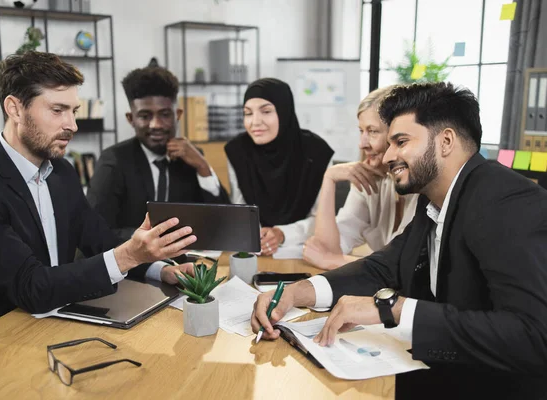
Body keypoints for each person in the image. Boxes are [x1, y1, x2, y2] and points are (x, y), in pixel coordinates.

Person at [251, 82, 547, 399]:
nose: (388, 155)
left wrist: (391, 308)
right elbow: (384, 266)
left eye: (401, 142)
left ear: (446, 141)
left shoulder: (505, 200)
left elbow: (533, 337)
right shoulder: (435, 199)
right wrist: (296, 293)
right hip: (435, 369)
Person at [0, 52, 197, 345]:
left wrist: (160, 269)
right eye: (57, 110)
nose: (72, 125)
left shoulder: (62, 172)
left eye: (73, 111)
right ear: (14, 109)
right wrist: (129, 254)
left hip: (56, 324)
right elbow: (32, 287)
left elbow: (100, 241)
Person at [87, 65, 229, 243]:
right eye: (145, 116)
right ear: (131, 119)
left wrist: (203, 166)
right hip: (133, 266)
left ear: (177, 115)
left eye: (164, 114)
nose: (156, 124)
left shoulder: (191, 157)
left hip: (185, 262)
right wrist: (156, 239)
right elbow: (95, 230)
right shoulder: (114, 161)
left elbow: (224, 222)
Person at [303, 86, 418, 270]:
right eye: (361, 131)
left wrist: (336, 261)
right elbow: (327, 247)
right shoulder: (369, 178)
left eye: (372, 131)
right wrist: (329, 178)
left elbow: (400, 268)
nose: (362, 143)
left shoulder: (421, 185)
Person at [224, 78, 334, 256]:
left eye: (266, 111)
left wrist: (282, 234)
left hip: (303, 252)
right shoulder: (237, 151)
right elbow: (240, 210)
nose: (255, 122)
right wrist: (257, 236)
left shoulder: (317, 153)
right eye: (248, 113)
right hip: (254, 252)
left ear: (284, 111)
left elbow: (322, 219)